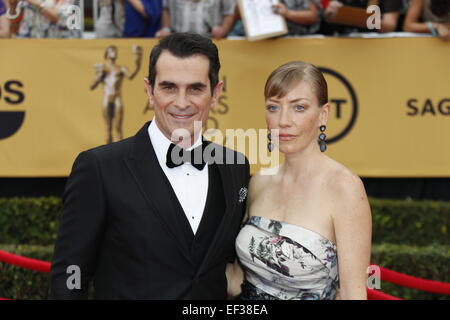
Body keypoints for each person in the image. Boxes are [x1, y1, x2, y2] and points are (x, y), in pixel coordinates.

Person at [50, 32, 250, 299]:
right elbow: (71, 271)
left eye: (195, 88)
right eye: (169, 87)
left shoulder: (235, 166)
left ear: (215, 93)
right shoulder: (99, 168)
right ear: (149, 90)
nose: (181, 102)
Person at [227, 61, 372, 300]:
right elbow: (236, 280)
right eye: (273, 108)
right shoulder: (259, 182)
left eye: (299, 108)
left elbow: (351, 293)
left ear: (323, 114)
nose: (283, 120)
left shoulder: (345, 188)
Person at [90, 44, 143, 144]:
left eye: (115, 51)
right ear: (107, 54)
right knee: (108, 128)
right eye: (112, 51)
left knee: (118, 128)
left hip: (117, 99)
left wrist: (138, 62)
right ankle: (108, 156)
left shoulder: (121, 69)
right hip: (107, 99)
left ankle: (120, 156)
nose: (114, 52)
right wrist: (98, 75)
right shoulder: (102, 68)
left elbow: (131, 76)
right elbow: (92, 86)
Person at [155, 0, 236, 39]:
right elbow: (166, 9)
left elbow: (229, 12)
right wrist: (166, 29)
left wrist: (223, 30)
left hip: (211, 41)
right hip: (178, 42)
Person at [322, 0, 405, 35]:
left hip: (376, 46)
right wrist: (331, 13)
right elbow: (327, 17)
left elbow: (389, 26)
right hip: (343, 45)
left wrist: (366, 19)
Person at [6, 0, 81, 38]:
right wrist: (13, 6)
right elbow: (14, 25)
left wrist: (36, 3)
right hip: (28, 42)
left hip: (59, 45)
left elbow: (59, 19)